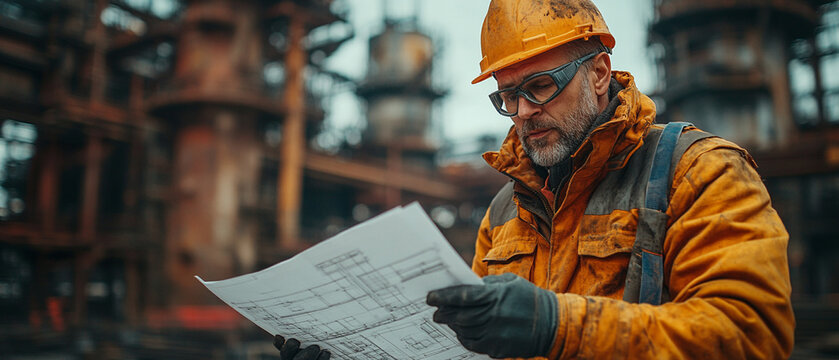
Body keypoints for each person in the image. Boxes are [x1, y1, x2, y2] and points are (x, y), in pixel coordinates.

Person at [276, 0, 794, 359]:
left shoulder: (698, 172)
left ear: (598, 72)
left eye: (541, 86)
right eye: (507, 96)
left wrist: (557, 325)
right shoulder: (505, 210)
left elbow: (753, 337)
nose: (522, 112)